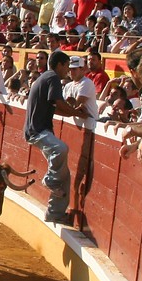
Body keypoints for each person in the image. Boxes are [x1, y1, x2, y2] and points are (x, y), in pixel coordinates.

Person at [24, 51, 90, 225]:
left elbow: (55, 108)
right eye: (67, 66)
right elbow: (59, 103)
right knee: (60, 149)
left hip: (38, 129)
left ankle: (54, 213)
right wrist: (78, 113)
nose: (68, 70)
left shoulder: (45, 77)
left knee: (65, 176)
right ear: (59, 65)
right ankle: (50, 180)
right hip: (38, 130)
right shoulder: (53, 78)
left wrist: (72, 114)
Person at [63, 56, 98, 130]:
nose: (71, 72)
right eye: (70, 69)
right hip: (80, 124)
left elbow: (76, 104)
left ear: (82, 69)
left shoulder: (87, 83)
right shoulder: (68, 85)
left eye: (74, 69)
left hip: (91, 125)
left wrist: (67, 104)